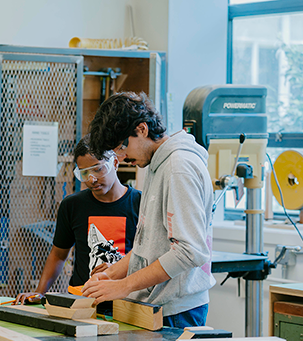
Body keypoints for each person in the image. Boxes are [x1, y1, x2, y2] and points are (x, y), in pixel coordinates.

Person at [81, 91, 215, 328]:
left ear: (142, 129)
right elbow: (148, 246)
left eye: (122, 147)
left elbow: (189, 252)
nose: (121, 158)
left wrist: (123, 286)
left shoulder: (178, 167)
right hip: (152, 306)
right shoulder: (155, 165)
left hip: (176, 311)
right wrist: (112, 275)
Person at [15, 134, 141, 305]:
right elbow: (58, 255)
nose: (92, 179)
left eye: (98, 169)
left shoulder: (140, 203)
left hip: (126, 302)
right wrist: (40, 292)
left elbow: (148, 257)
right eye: (84, 173)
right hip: (81, 300)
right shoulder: (73, 205)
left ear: (115, 163)